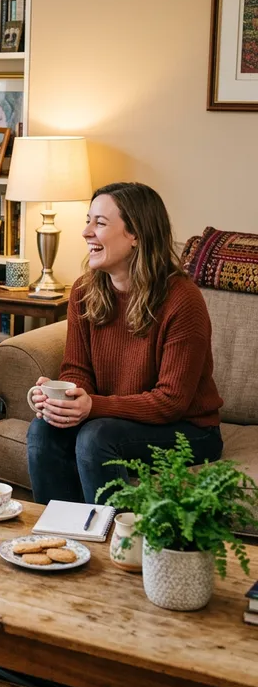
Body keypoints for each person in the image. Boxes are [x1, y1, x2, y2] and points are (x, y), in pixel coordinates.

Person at [26, 182, 223, 505]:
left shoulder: (182, 299)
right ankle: (58, 532)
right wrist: (63, 400)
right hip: (114, 421)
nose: (86, 232)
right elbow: (77, 370)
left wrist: (93, 406)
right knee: (43, 430)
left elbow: (171, 401)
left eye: (100, 223)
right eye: (88, 221)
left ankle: (111, 535)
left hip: (189, 430)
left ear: (136, 235)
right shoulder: (84, 291)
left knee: (96, 437)